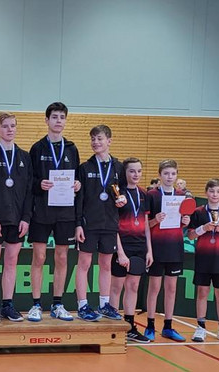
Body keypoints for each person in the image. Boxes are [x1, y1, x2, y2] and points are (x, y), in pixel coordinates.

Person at [26, 102, 80, 322]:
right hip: (42, 211)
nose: (58, 121)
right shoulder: (37, 148)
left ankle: (58, 304)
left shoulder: (72, 148)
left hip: (65, 212)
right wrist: (39, 184)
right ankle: (35, 304)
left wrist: (77, 184)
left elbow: (76, 177)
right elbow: (29, 181)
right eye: (54, 117)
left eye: (62, 117)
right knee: (39, 257)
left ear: (65, 121)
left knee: (62, 257)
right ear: (46, 120)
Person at [0, 113, 33, 323]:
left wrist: (26, 218)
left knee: (11, 261)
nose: (10, 129)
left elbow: (29, 191)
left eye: (13, 126)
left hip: (17, 220)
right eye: (5, 126)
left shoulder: (24, 157)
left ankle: (7, 305)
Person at [74, 125, 126, 322]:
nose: (95, 142)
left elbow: (122, 192)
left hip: (110, 224)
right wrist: (78, 224)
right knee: (84, 263)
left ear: (109, 141)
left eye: (99, 138)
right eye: (93, 139)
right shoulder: (84, 168)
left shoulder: (119, 168)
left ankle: (104, 305)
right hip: (89, 224)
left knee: (105, 264)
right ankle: (82, 305)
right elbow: (79, 199)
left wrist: (122, 200)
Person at [186, 179, 219, 344]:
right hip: (203, 259)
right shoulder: (198, 212)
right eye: (211, 191)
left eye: (218, 191)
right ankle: (201, 327)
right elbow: (190, 235)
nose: (214, 195)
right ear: (206, 193)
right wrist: (204, 228)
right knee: (202, 292)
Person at [144, 159, 189, 341]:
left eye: (173, 173)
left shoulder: (181, 196)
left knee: (171, 288)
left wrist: (185, 222)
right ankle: (150, 325)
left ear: (177, 175)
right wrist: (155, 220)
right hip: (156, 247)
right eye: (166, 173)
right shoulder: (152, 195)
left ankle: (168, 327)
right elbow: (145, 225)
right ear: (160, 175)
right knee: (154, 287)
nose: (170, 177)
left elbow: (181, 223)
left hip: (175, 247)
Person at [110, 157, 152, 343]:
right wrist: (120, 252)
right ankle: (112, 325)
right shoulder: (118, 193)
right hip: (122, 245)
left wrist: (149, 250)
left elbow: (145, 225)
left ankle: (130, 327)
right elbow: (113, 223)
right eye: (132, 171)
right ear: (125, 172)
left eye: (139, 171)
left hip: (140, 246)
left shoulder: (144, 194)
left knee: (133, 286)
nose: (136, 174)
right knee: (116, 287)